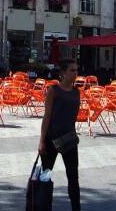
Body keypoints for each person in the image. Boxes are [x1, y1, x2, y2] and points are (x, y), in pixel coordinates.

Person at [38, 58, 81, 211]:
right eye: (72, 70)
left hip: (69, 139)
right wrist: (42, 141)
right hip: (51, 139)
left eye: (76, 70)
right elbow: (47, 116)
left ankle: (76, 208)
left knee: (73, 177)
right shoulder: (53, 91)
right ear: (63, 73)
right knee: (45, 177)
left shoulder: (77, 92)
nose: (75, 73)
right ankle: (43, 206)